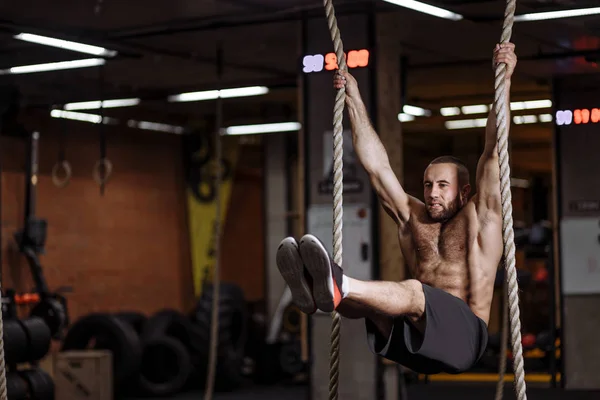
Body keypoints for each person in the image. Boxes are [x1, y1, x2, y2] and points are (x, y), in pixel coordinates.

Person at [276, 42, 517, 375]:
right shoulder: (413, 219)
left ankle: (339, 284)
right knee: (374, 308)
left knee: (414, 292)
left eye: (442, 186)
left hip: (465, 338)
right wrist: (354, 100)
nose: (432, 193)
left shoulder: (482, 218)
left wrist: (503, 78)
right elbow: (377, 169)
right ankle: (318, 292)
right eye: (428, 185)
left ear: (464, 191)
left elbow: (494, 149)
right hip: (419, 343)